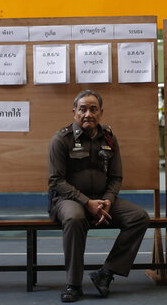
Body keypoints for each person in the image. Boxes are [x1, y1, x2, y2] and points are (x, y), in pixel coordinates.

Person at [48, 89, 150, 302]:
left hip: (102, 199)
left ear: (101, 113)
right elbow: (56, 181)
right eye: (82, 109)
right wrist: (87, 203)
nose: (88, 114)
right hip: (68, 200)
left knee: (139, 217)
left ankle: (106, 273)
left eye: (93, 109)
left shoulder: (109, 139)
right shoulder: (62, 139)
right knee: (75, 218)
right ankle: (74, 285)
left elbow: (116, 177)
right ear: (74, 112)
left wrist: (108, 202)